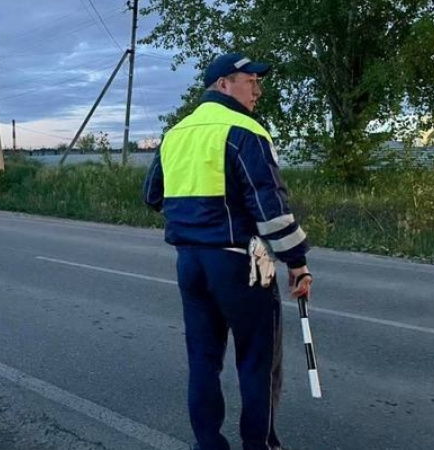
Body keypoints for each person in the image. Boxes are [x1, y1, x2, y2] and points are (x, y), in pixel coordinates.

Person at [143, 53, 313, 450]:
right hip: (240, 263)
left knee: (203, 360)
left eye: (258, 81)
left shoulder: (176, 132)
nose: (258, 88)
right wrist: (298, 261)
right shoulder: (244, 129)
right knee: (257, 361)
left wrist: (193, 223)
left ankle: (209, 444)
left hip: (191, 263)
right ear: (223, 84)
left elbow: (153, 195)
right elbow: (270, 209)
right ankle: (260, 445)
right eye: (248, 80)